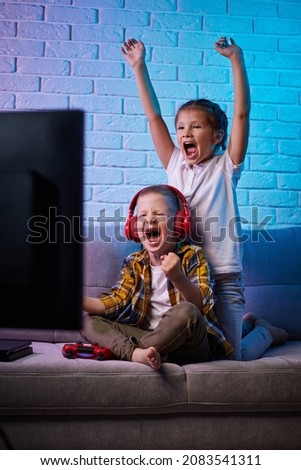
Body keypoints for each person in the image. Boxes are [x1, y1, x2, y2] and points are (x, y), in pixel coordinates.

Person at [121, 37, 289, 360]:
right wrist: (139, 67)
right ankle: (244, 328)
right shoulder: (175, 165)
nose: (185, 133)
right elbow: (154, 118)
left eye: (195, 126)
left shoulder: (226, 167)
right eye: (181, 127)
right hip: (185, 277)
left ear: (217, 137)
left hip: (223, 279)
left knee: (230, 358)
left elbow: (241, 114)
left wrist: (236, 59)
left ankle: (263, 331)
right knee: (201, 345)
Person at [82, 184, 233, 370]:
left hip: (188, 345)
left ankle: (129, 352)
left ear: (177, 223)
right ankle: (139, 354)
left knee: (187, 312)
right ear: (133, 227)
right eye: (142, 216)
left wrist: (178, 277)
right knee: (87, 321)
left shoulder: (193, 255)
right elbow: (115, 301)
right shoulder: (134, 262)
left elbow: (200, 307)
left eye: (159, 214)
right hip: (145, 334)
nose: (149, 220)